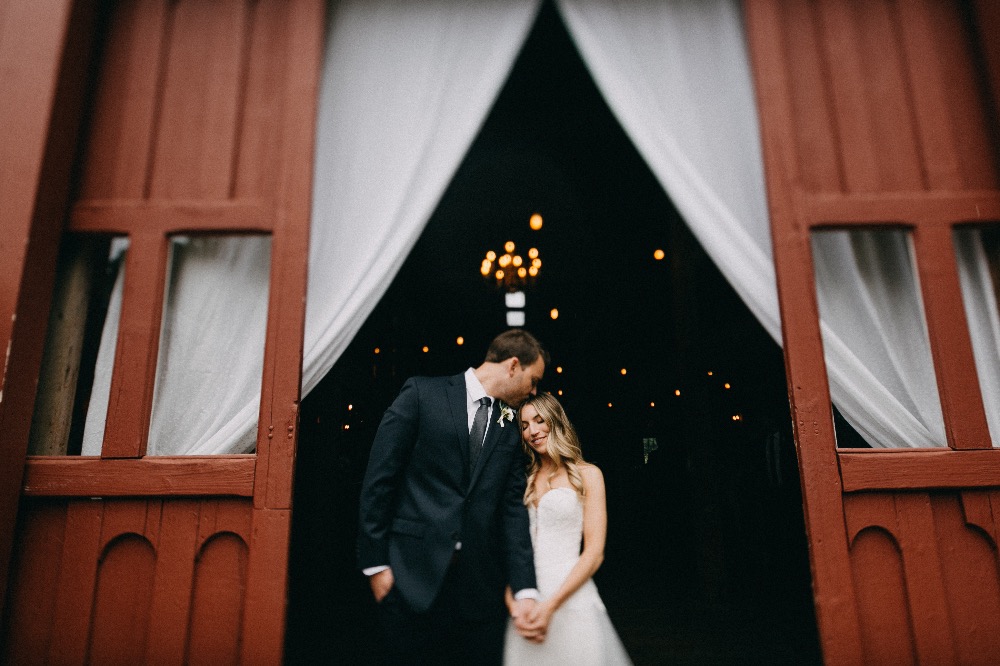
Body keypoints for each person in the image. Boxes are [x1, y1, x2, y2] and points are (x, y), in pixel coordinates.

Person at [357, 329, 549, 664]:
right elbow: (379, 480)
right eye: (533, 380)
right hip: (410, 578)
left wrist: (524, 588)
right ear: (513, 366)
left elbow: (512, 511)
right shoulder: (422, 394)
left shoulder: (510, 426)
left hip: (480, 590)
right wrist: (376, 566)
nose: (534, 391)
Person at [503, 393, 632, 665]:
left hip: (571, 595)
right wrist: (513, 602)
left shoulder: (588, 475)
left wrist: (551, 606)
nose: (532, 431)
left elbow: (594, 553)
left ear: (556, 421)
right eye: (524, 425)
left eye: (539, 420)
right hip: (527, 599)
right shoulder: (522, 479)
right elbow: (513, 546)